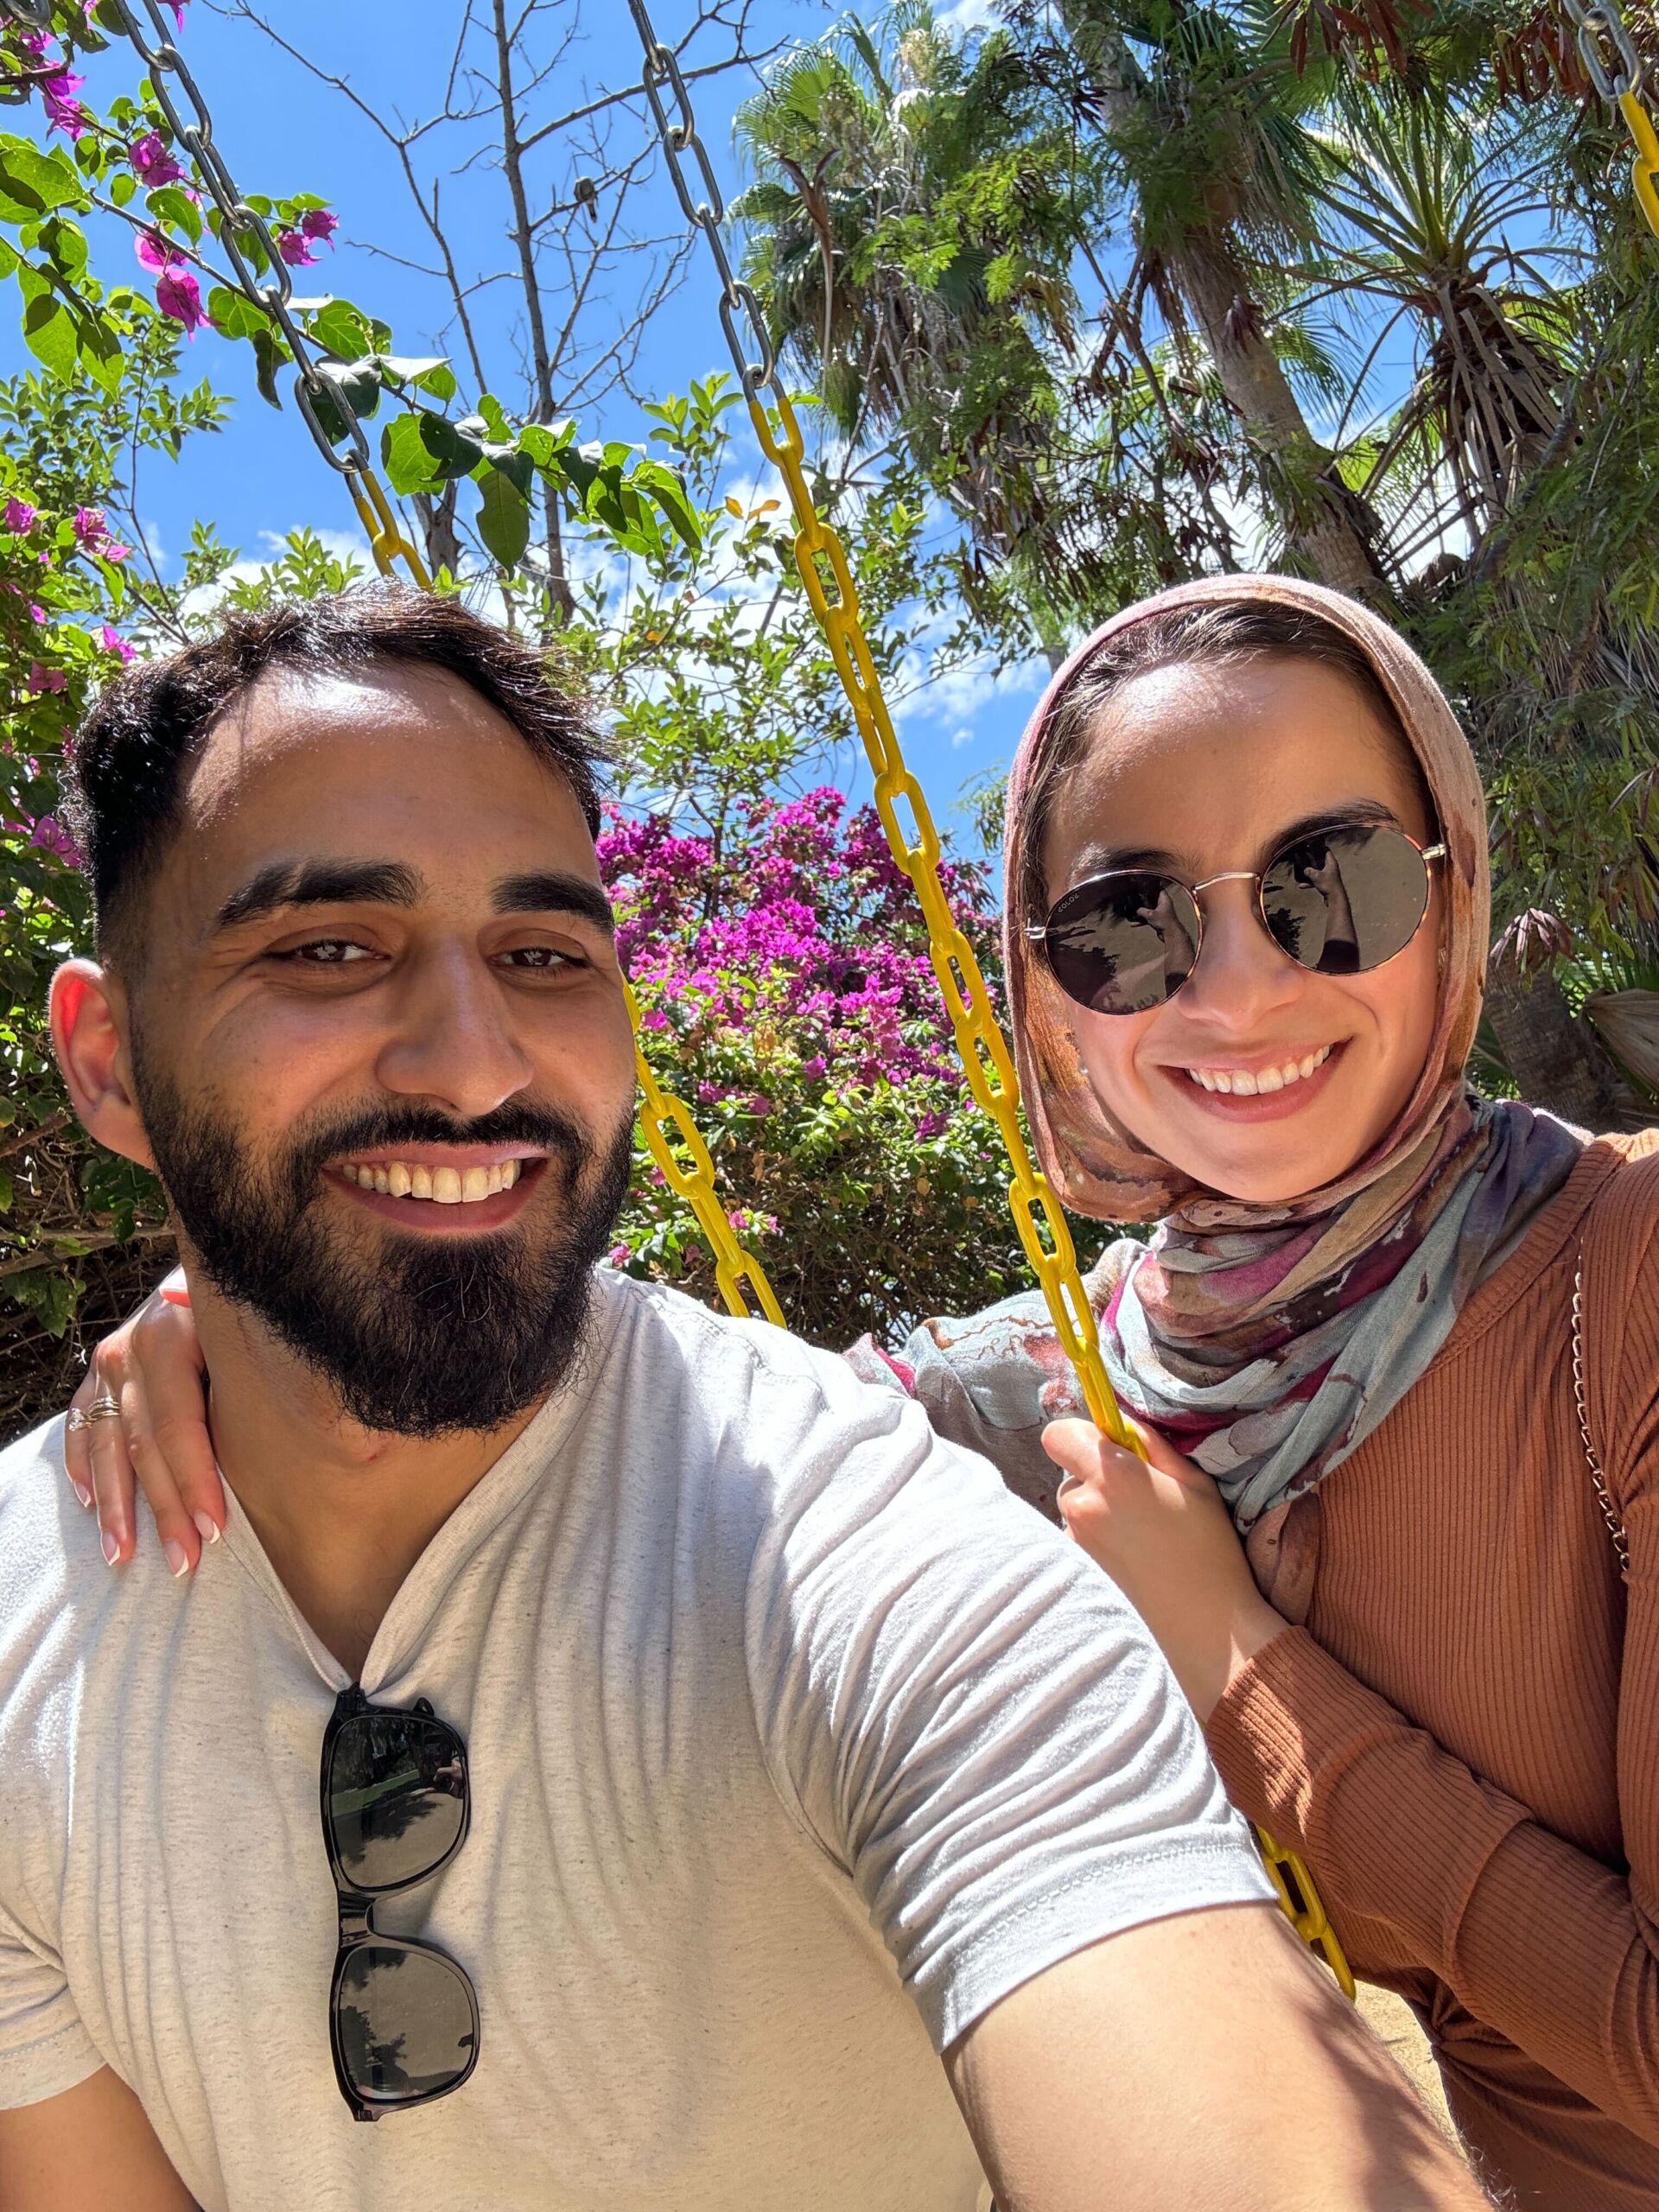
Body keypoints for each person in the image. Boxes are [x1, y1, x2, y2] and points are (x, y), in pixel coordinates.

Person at [0, 588, 1486, 2212]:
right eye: (328, 948)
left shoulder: (855, 1543)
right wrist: (217, 1310)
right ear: (108, 1059)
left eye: (544, 951)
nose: (472, 1055)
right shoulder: (33, 1636)